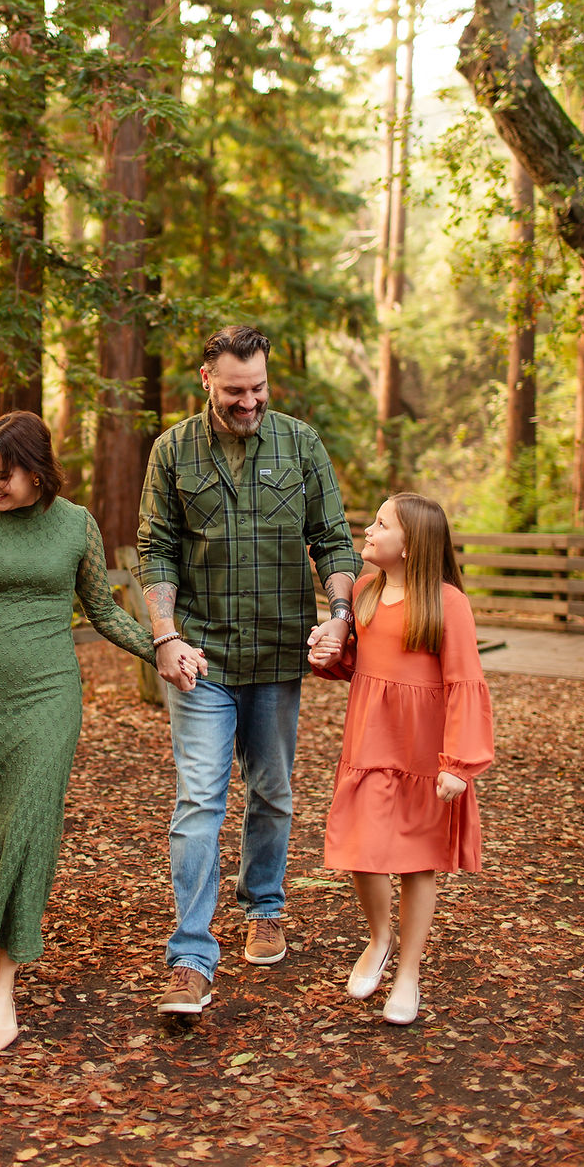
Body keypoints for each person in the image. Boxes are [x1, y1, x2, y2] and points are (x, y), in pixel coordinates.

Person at [0, 410, 206, 1050]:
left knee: (30, 817)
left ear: (37, 471)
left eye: (2, 476)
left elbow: (104, 611)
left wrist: (160, 649)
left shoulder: (76, 524)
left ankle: (3, 976)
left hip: (48, 695)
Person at [136, 324, 363, 1016]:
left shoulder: (300, 443)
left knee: (272, 790)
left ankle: (265, 905)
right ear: (206, 379)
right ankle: (191, 957)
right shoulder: (173, 450)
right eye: (235, 390)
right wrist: (165, 636)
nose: (248, 401)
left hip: (276, 654)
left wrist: (340, 614)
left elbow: (334, 540)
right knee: (199, 800)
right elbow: (155, 547)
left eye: (258, 388)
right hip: (202, 654)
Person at [308, 494, 495, 1025]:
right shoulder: (365, 592)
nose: (367, 529)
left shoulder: (447, 603)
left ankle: (408, 972)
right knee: (360, 850)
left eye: (380, 524)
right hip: (369, 742)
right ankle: (379, 938)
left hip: (422, 753)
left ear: (409, 545)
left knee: (415, 862)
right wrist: (330, 654)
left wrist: (458, 762)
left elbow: (464, 682)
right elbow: (359, 664)